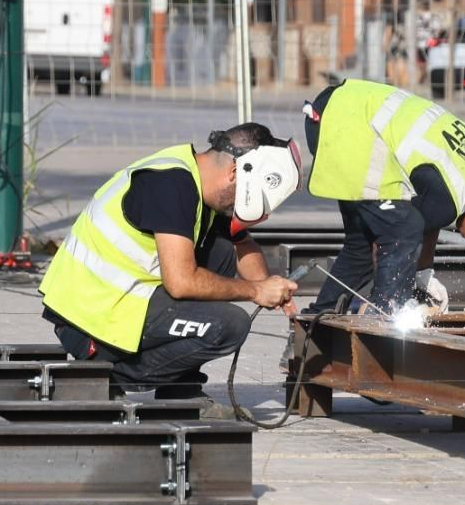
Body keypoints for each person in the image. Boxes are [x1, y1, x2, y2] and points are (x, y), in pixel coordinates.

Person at [39, 124, 302, 406]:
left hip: (115, 303)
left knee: (222, 251)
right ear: (236, 173)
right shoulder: (171, 185)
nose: (237, 207)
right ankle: (113, 376)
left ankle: (180, 389)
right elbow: (181, 283)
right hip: (89, 321)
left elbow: (241, 245)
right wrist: (254, 291)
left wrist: (270, 286)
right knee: (230, 325)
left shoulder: (197, 180)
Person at [301, 79, 465, 315]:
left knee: (362, 241)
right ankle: (385, 316)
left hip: (348, 106)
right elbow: (397, 236)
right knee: (399, 228)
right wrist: (401, 298)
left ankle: (321, 314)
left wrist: (423, 275)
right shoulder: (449, 199)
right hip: (343, 126)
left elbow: (427, 222)